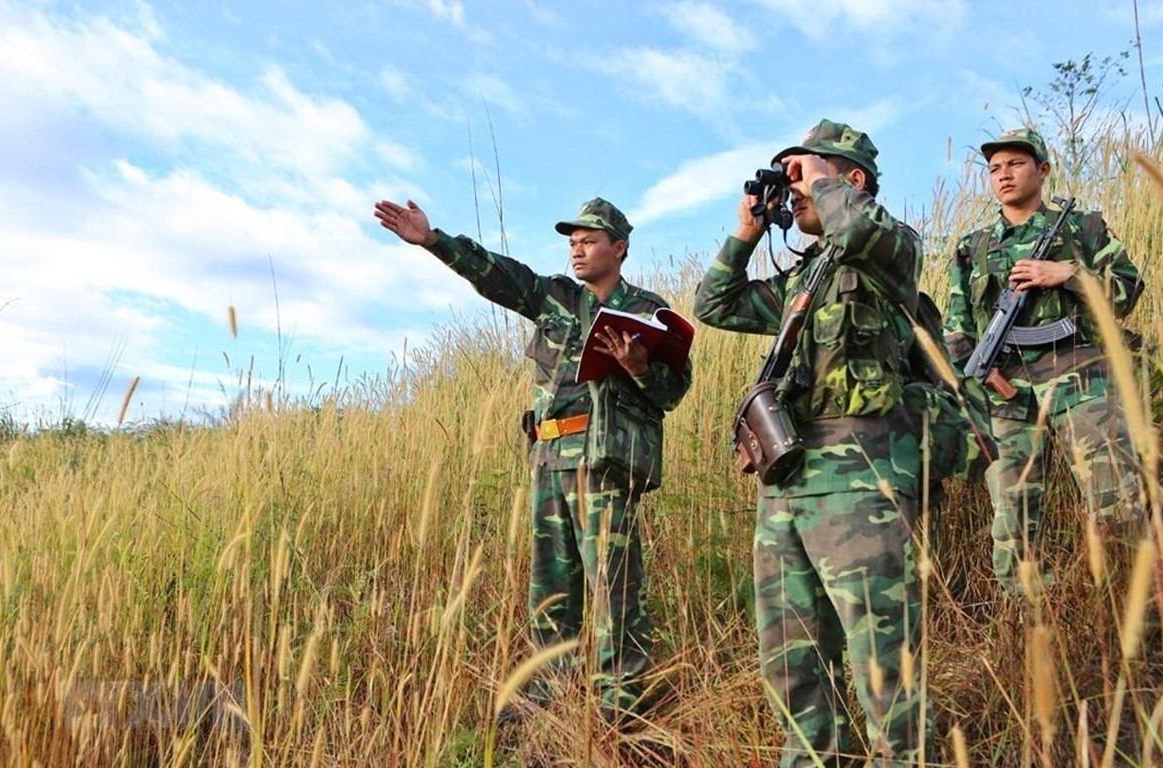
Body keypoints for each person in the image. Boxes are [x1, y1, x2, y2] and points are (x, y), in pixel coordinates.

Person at [373, 196, 692, 722]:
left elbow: (673, 392)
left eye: (589, 240)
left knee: (614, 590)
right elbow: (499, 276)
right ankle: (548, 697)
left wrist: (638, 367)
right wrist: (434, 242)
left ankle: (620, 710)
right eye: (572, 241)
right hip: (548, 459)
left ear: (620, 247)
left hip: (603, 463)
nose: (578, 249)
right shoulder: (554, 297)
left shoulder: (646, 312)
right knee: (549, 589)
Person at [693, 119, 934, 767]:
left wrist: (820, 181)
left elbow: (858, 228)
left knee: (884, 664)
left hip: (863, 474)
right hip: (788, 478)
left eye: (804, 172)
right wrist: (746, 231)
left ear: (851, 179)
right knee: (792, 661)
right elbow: (715, 304)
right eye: (791, 177)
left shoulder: (889, 246)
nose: (794, 187)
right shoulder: (806, 277)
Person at [942, 127, 1145, 596]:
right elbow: (956, 328)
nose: (1003, 175)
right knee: (1011, 524)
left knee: (1117, 503)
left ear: (1043, 169)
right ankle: (1032, 621)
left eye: (1015, 163)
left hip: (1083, 380)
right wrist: (977, 369)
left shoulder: (1083, 228)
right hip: (1005, 394)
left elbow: (1127, 292)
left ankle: (1130, 610)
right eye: (994, 168)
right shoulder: (973, 248)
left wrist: (1068, 274)